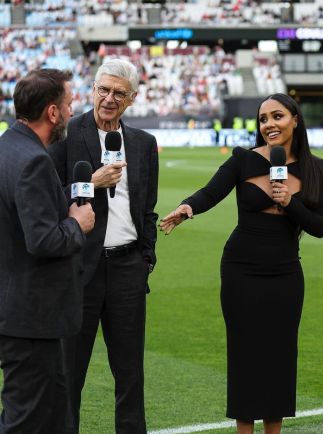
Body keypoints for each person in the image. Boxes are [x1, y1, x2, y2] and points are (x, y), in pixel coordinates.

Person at [160, 93, 323, 434]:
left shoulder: (315, 168)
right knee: (245, 356)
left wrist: (291, 203)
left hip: (285, 273)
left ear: (295, 119)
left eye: (277, 116)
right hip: (241, 269)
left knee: (280, 357)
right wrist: (186, 208)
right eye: (264, 118)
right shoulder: (242, 160)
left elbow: (321, 225)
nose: (269, 124)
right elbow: (210, 193)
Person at [48, 59, 159, 434]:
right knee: (69, 374)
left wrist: (146, 255)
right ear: (92, 89)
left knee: (131, 375)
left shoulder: (144, 144)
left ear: (132, 99)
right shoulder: (65, 135)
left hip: (128, 268)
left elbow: (147, 209)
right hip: (79, 270)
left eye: (118, 93)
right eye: (103, 90)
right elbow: (45, 202)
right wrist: (90, 183)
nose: (109, 99)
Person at [0, 69, 95, 433]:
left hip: (26, 316)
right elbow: (41, 240)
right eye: (69, 105)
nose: (73, 112)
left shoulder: (9, 146)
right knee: (26, 421)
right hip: (31, 319)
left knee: (55, 418)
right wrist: (77, 224)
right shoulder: (33, 160)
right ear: (52, 112)